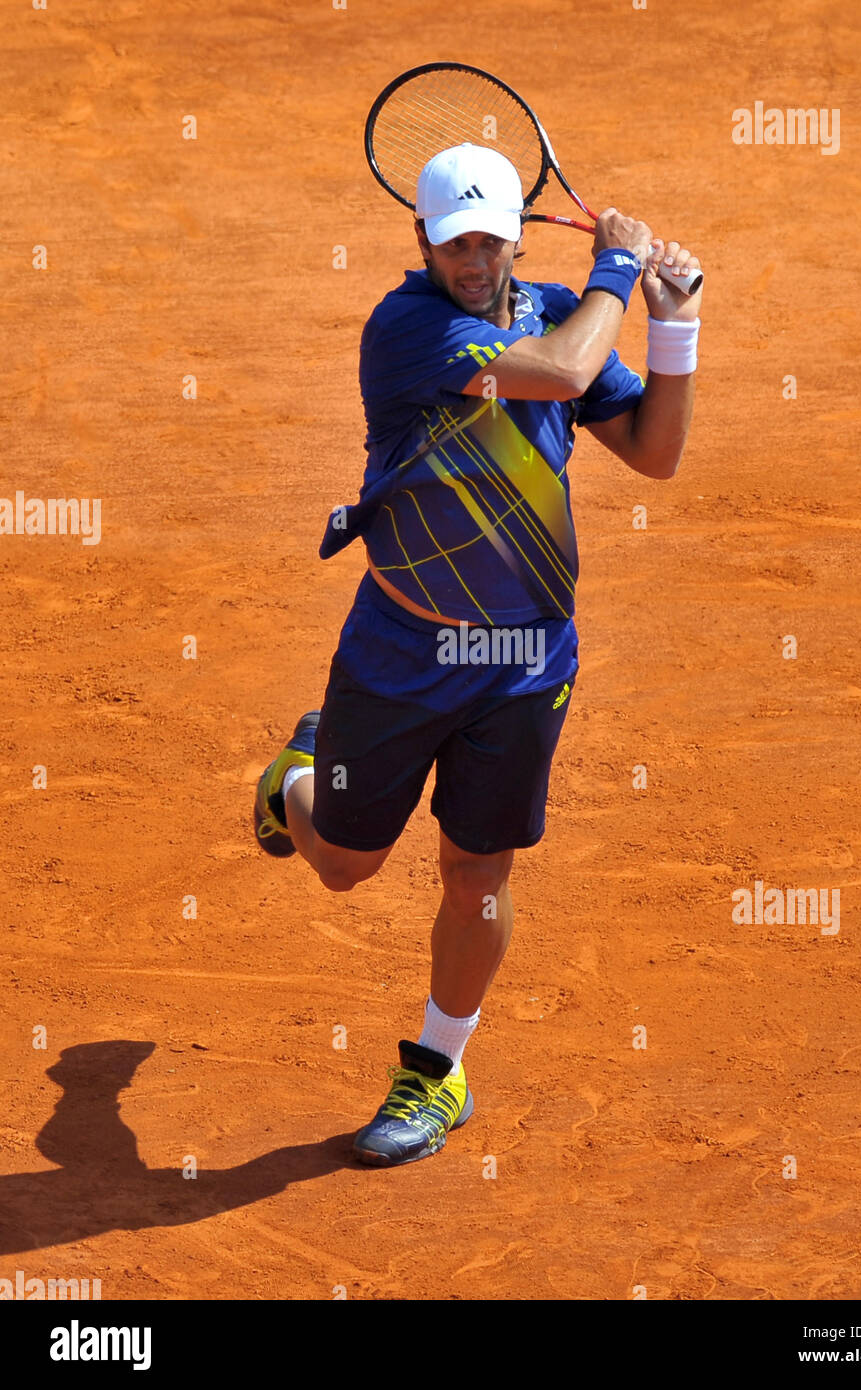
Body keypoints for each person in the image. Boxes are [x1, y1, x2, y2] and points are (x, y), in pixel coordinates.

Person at [253, 142, 703, 1166]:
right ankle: (294, 779)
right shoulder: (410, 329)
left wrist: (675, 326)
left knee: (476, 872)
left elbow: (655, 451)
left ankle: (433, 1070)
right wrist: (620, 273)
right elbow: (563, 371)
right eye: (452, 240)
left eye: (487, 240)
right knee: (344, 867)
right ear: (421, 240)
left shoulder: (552, 309)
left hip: (524, 662)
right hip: (400, 651)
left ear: (511, 236)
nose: (471, 257)